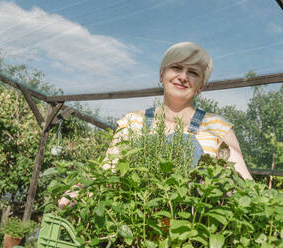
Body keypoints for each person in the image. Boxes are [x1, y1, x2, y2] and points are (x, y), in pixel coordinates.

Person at [58, 41, 252, 209]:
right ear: (161, 76)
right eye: (176, 68)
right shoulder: (132, 121)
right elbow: (107, 172)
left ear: (201, 85)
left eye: (193, 72)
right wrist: (79, 189)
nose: (183, 77)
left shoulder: (217, 126)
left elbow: (244, 185)